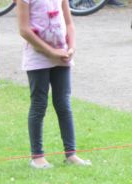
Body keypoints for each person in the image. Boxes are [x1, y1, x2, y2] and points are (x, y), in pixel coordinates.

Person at [17, 0, 91, 169]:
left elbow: (69, 23)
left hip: (62, 55)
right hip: (38, 57)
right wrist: (50, 52)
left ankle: (71, 154)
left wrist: (71, 48)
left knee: (63, 104)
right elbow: (24, 29)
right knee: (39, 104)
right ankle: (37, 157)